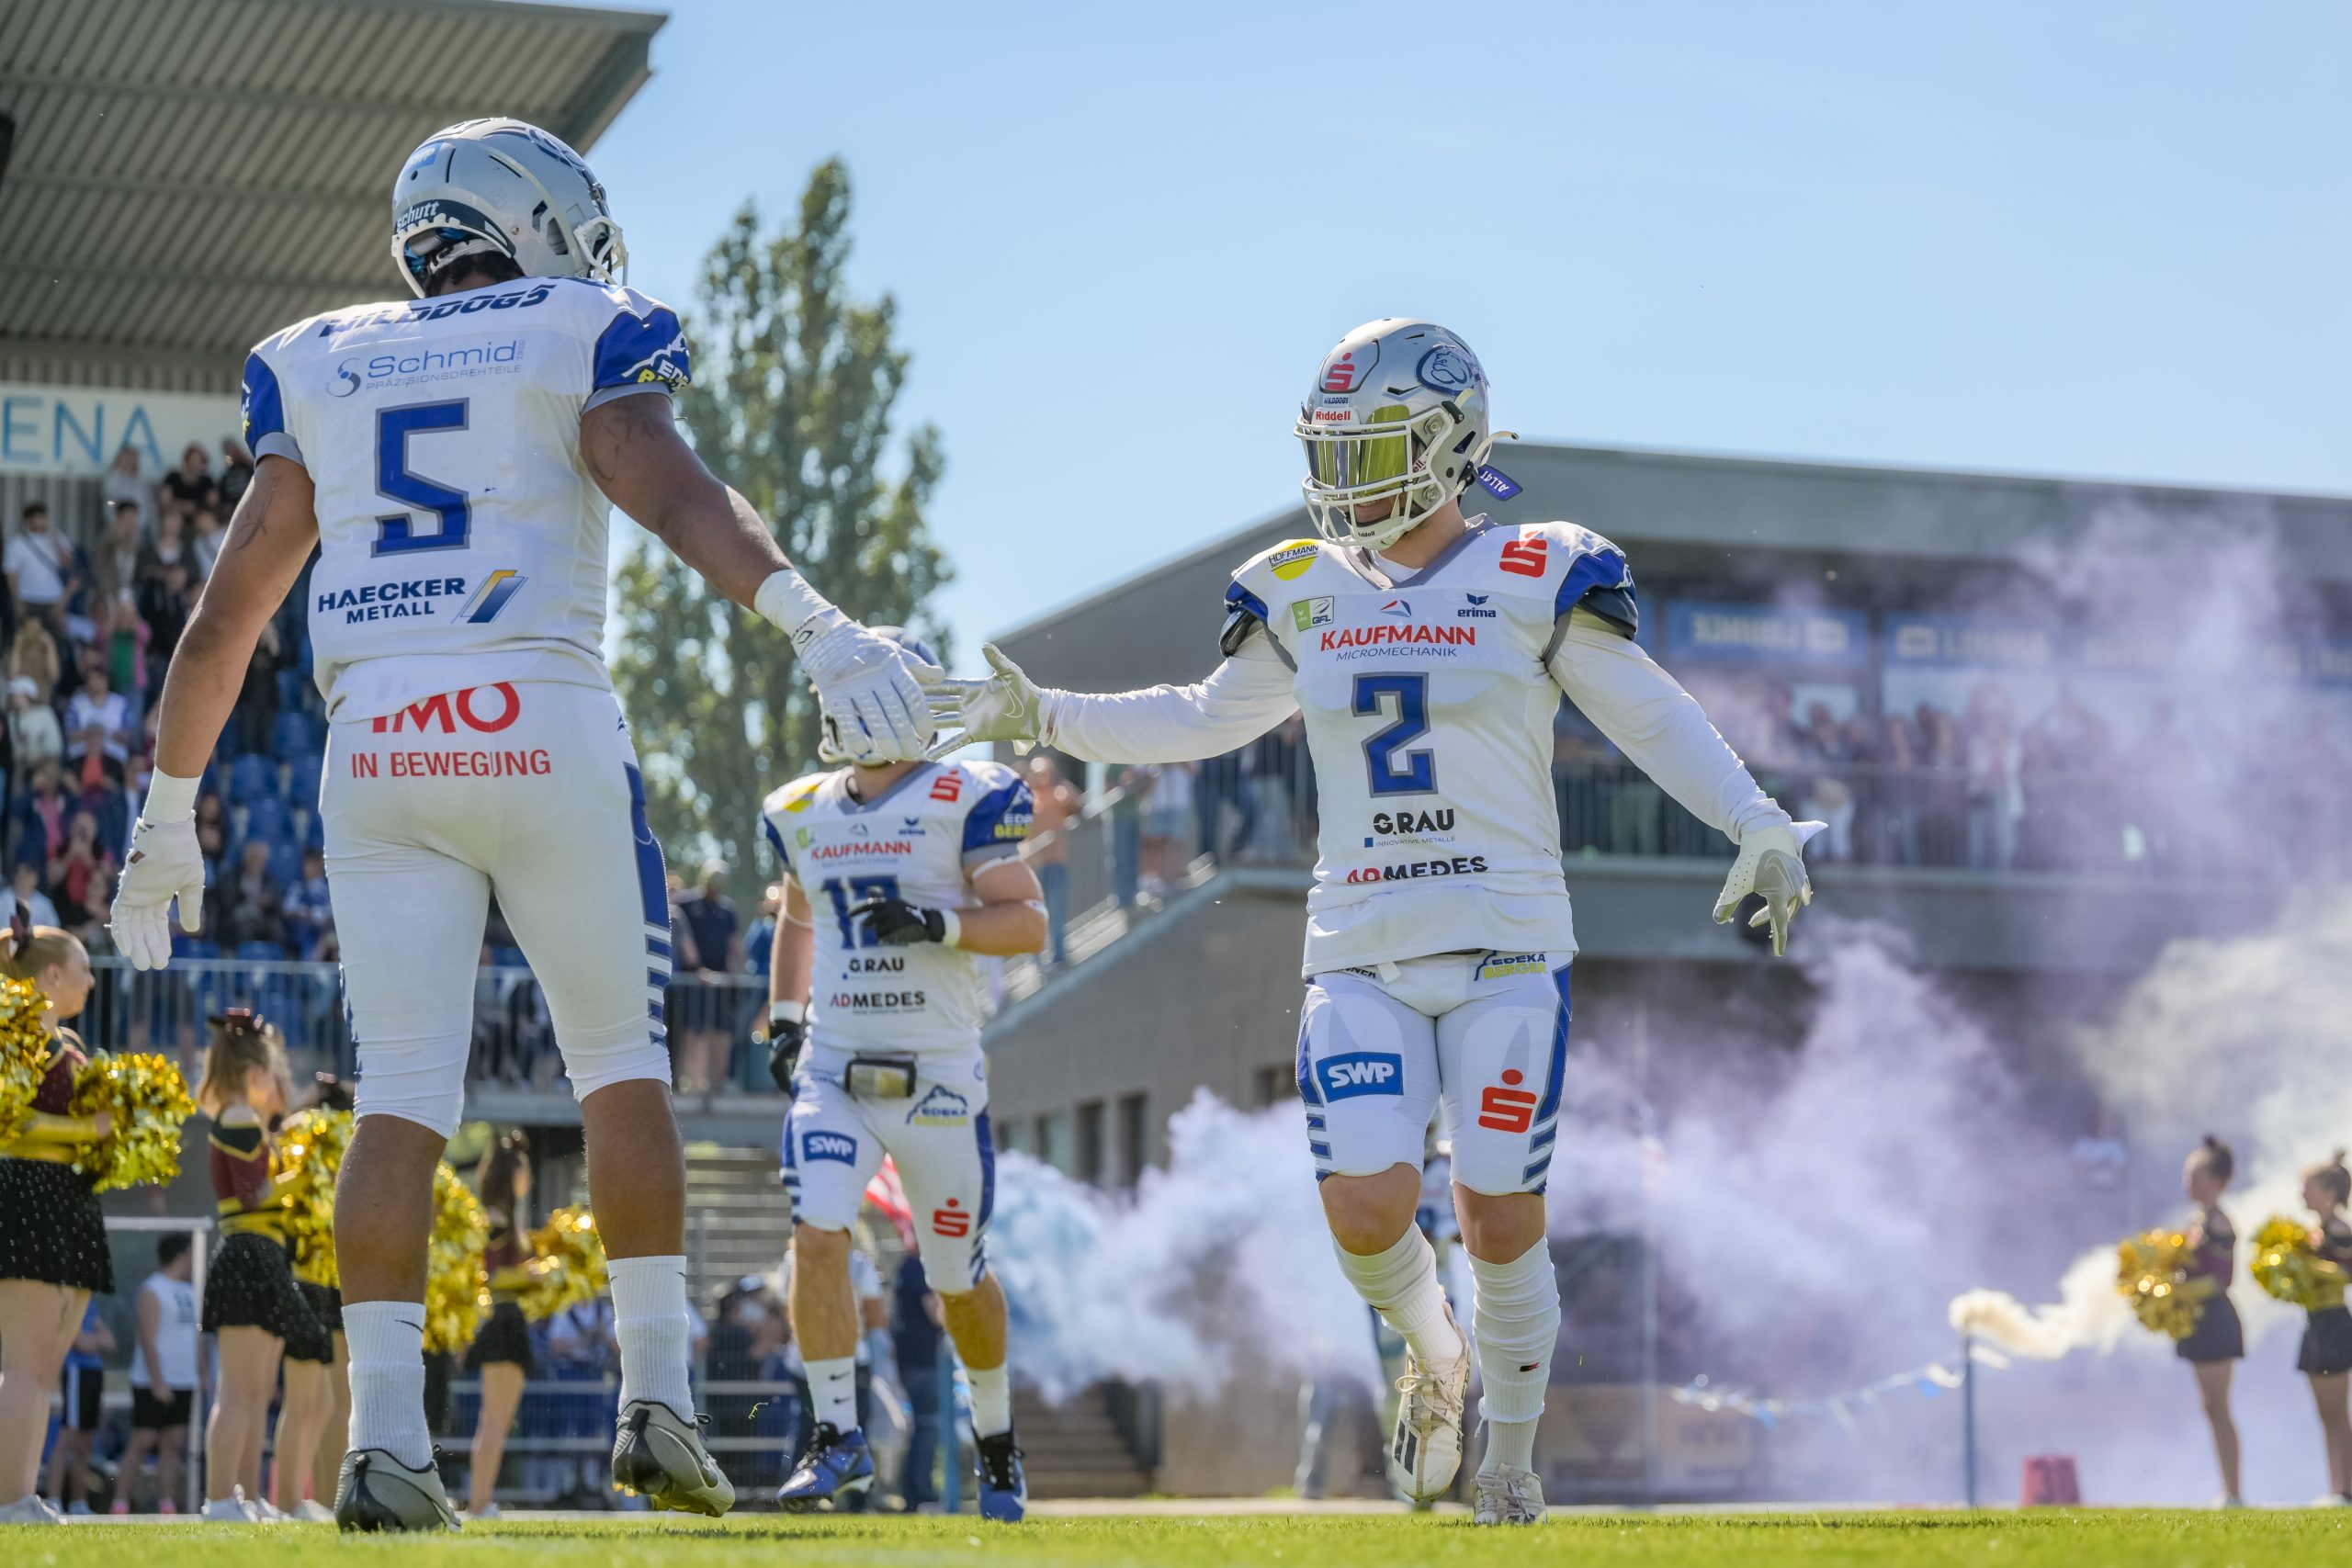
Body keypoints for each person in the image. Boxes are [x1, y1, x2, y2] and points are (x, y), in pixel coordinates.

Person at [107, 117, 941, 1531]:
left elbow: (226, 615)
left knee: (398, 1093)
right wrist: (815, 622)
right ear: (540, 222)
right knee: (620, 1065)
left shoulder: (321, 357)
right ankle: (657, 1398)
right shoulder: (577, 324)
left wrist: (166, 813)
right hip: (536, 712)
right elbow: (666, 484)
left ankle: (385, 1440)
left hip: (376, 739)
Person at [936, 319, 1818, 1526]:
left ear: (1453, 442)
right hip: (1360, 942)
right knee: (1363, 1209)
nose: (1348, 480)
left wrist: (1753, 815)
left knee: (1497, 1212)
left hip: (1506, 941)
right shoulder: (1300, 585)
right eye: (1334, 452)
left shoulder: (1536, 570)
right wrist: (1044, 711)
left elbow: (1647, 712)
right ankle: (1434, 1351)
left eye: (1375, 449)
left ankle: (1510, 1460)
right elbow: (1201, 716)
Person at [761, 626, 1047, 1520]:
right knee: (817, 1234)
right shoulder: (801, 807)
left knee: (957, 1280)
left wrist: (937, 925)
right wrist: (784, 1017)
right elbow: (797, 915)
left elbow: (1027, 921)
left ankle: (995, 1438)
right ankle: (836, 1434)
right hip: (837, 1066)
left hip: (938, 1074)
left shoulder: (964, 795)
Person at [0, 919, 107, 1525]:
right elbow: (9, 1121)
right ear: (52, 975)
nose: (92, 980)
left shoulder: (67, 1040)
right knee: (25, 1363)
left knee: (44, 1366)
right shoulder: (13, 1033)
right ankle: (8, 1499)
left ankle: (22, 1493)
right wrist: (85, 1129)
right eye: (84, 969)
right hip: (28, 1194)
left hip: (68, 1198)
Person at [196, 1010, 318, 1522]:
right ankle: (221, 1498)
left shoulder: (248, 1119)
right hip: (246, 1252)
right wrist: (307, 1173)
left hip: (262, 1255)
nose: (277, 1082)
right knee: (239, 1391)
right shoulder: (240, 1117)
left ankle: (245, 1496)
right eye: (271, 1072)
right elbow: (253, 1193)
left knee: (257, 1392)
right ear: (252, 1074)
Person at [463, 1130, 535, 1519]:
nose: (529, 1178)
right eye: (524, 1171)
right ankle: (478, 1503)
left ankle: (482, 1499)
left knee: (498, 1420)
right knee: (492, 1419)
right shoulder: (495, 1217)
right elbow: (487, 1276)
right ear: (513, 1175)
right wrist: (532, 1276)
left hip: (511, 1319)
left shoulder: (510, 1217)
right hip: (500, 1320)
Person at [2175, 1136, 2244, 1506]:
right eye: (2187, 1175)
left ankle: (2233, 1490)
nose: (2188, 1181)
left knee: (2219, 1405)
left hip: (2215, 1318)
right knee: (2210, 1406)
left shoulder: (2218, 1222)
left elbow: (2220, 1280)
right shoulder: (2197, 1221)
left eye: (2195, 1175)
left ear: (2216, 1181)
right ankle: (2227, 1488)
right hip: (2199, 1319)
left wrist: (2176, 1290)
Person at [119, 1233, 201, 1515]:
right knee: (143, 1441)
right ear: (182, 1253)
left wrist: (202, 1373)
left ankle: (167, 1504)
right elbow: (147, 1338)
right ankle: (120, 1502)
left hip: (183, 1379)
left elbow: (195, 1337)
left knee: (173, 1443)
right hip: (153, 1381)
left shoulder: (190, 1291)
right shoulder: (153, 1289)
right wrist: (157, 1381)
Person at [2299, 1150, 2352, 1505]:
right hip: (2315, 1320)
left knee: (2338, 1412)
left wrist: (2307, 1268)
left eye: (2308, 1187)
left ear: (2329, 1193)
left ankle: (2346, 1489)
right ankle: (2335, 1488)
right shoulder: (2313, 1234)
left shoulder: (2340, 1231)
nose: (2302, 1194)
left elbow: (2347, 1273)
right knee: (2325, 1414)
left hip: (2334, 1321)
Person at [674, 859, 743, 1093]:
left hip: (720, 984)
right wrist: (697, 970)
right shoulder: (685, 903)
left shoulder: (727, 910)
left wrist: (737, 973)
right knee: (692, 1030)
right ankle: (692, 1083)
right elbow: (682, 942)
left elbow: (735, 945)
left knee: (721, 1031)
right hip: (692, 982)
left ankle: (716, 1084)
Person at [42, 1300, 116, 1514]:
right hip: (77, 1372)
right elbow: (82, 1343)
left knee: (85, 1442)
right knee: (67, 1438)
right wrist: (96, 1339)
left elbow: (110, 1341)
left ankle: (79, 1503)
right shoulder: (67, 1300)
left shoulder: (88, 1302)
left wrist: (94, 1340)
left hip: (93, 1374)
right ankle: (53, 1501)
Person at [1022, 755, 1080, 969]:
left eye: (1046, 773)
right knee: (1036, 914)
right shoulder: (1027, 799)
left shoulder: (1059, 794)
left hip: (1056, 863)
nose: (1042, 778)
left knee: (1056, 910)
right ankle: (1036, 958)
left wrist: (1060, 781)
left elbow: (1077, 803)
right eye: (1038, 774)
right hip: (1034, 867)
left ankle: (1059, 954)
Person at [6, 502, 74, 633]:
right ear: (29, 520)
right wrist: (17, 602)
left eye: (43, 517)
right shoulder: (17, 543)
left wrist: (55, 540)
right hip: (28, 599)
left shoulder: (57, 537)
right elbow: (12, 574)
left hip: (54, 599)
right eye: (37, 518)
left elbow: (68, 563)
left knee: (55, 637)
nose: (42, 521)